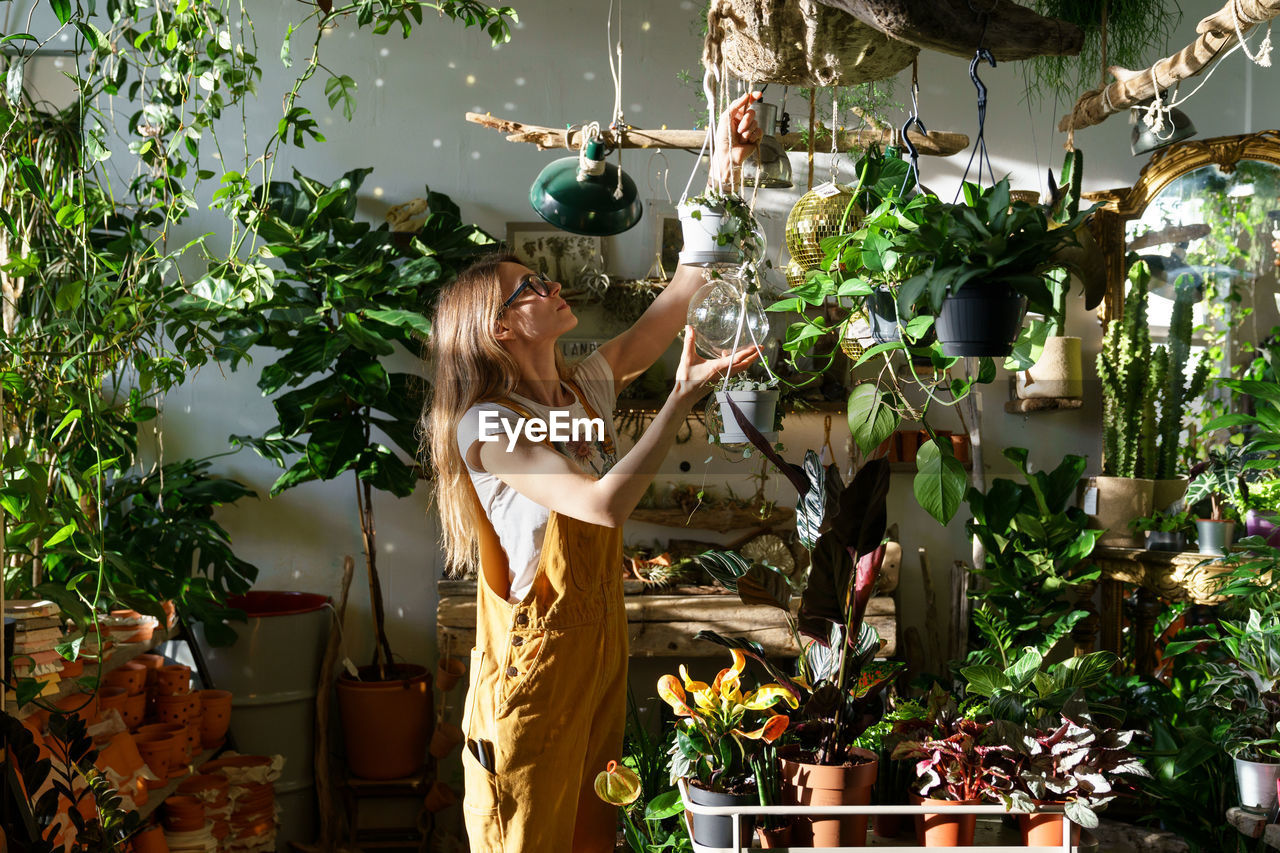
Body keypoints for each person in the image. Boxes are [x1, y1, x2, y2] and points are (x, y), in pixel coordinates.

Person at [424, 91, 764, 852]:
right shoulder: (489, 423)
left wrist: (728, 170)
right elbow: (603, 504)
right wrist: (677, 400)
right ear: (501, 327)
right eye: (529, 288)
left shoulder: (578, 391)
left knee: (589, 839)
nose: (550, 286)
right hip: (534, 672)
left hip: (594, 648)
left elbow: (682, 292)